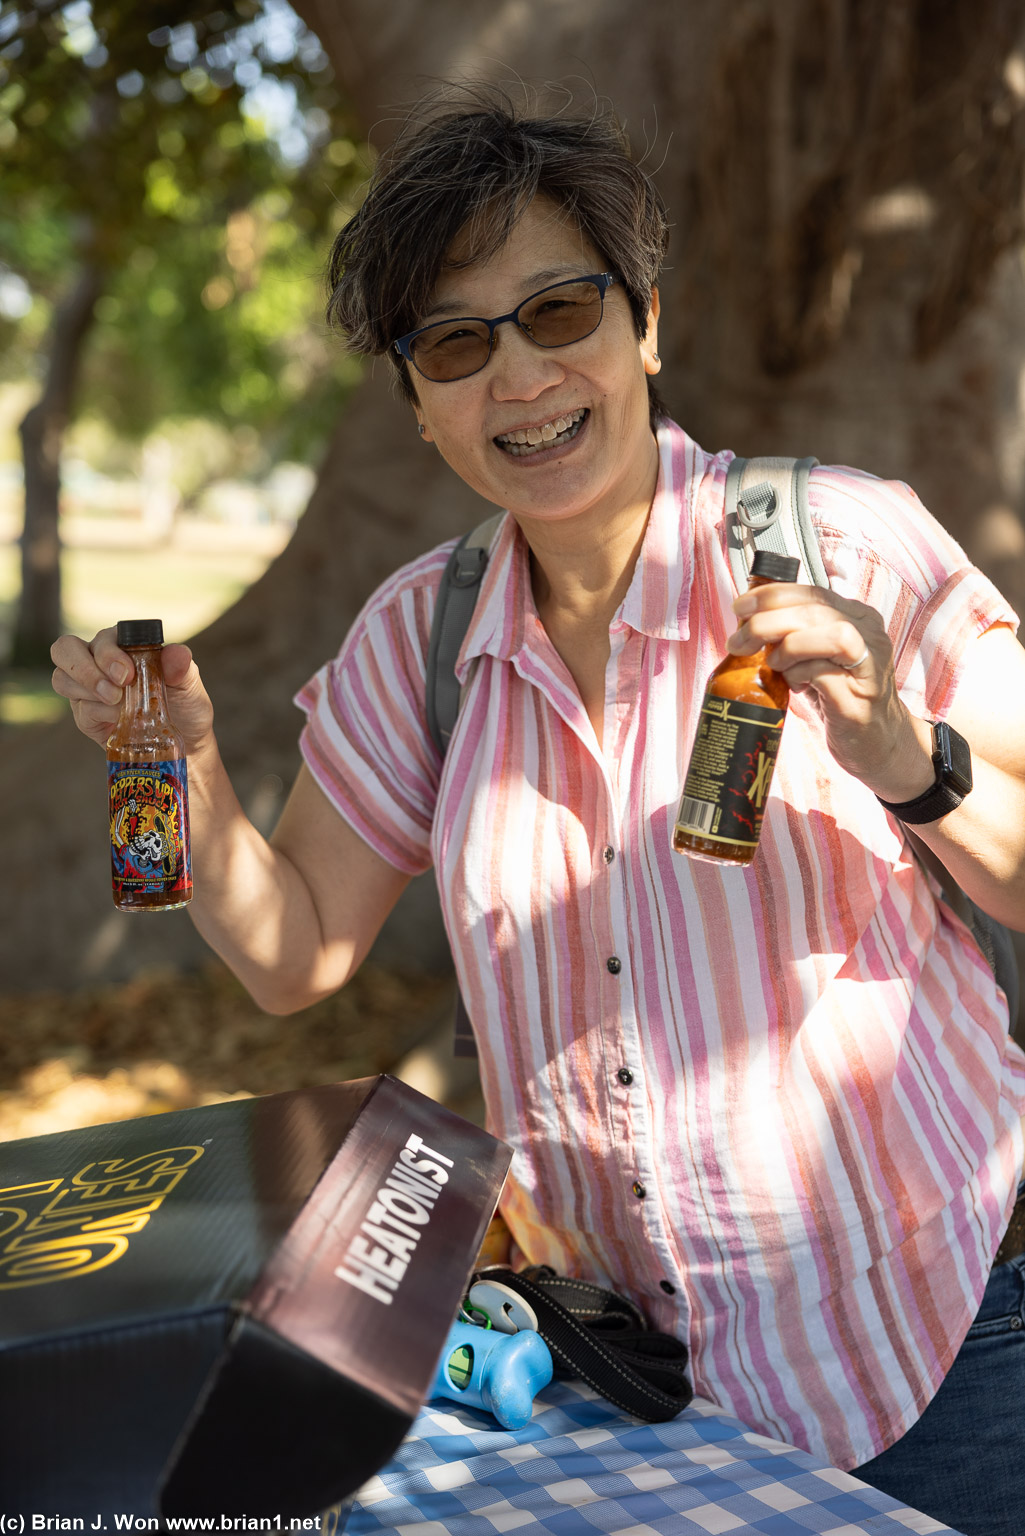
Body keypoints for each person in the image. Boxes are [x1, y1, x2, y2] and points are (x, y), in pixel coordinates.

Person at [52, 95, 1025, 1534]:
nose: (516, 373)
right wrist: (181, 763)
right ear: (418, 401)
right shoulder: (416, 643)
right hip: (633, 1387)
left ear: (642, 325)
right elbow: (293, 953)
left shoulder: (846, 542)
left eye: (556, 310)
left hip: (938, 1346)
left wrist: (897, 746)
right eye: (454, 342)